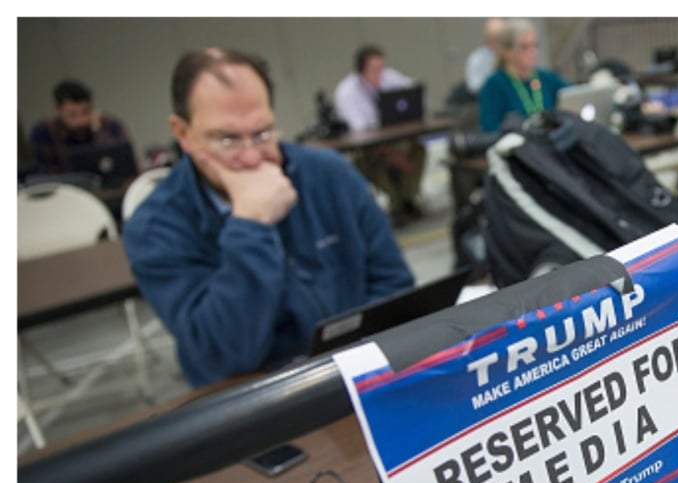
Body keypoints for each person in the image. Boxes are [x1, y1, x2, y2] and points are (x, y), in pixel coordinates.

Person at [122, 48, 415, 387]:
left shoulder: (329, 175)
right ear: (183, 133)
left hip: (359, 375)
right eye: (227, 139)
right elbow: (226, 353)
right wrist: (251, 224)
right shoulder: (155, 228)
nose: (251, 157)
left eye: (262, 133)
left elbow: (395, 286)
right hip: (250, 403)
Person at [333, 44, 428, 223]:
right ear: (361, 70)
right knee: (375, 162)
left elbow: (414, 92)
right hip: (370, 148)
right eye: (374, 69)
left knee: (417, 150)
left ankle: (408, 200)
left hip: (394, 141)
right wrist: (393, 155)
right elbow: (360, 131)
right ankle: (397, 204)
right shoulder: (347, 92)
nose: (380, 74)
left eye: (381, 68)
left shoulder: (389, 78)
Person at [478, 18, 572, 132]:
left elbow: (575, 94)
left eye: (534, 46)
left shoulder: (546, 78)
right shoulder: (494, 85)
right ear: (507, 51)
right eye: (524, 47)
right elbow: (490, 130)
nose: (532, 52)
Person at [29, 79, 133, 175]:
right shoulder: (44, 133)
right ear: (58, 110)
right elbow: (46, 173)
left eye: (86, 112)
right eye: (72, 115)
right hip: (67, 190)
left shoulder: (109, 125)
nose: (81, 121)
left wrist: (98, 132)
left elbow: (123, 164)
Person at [464, 18, 505, 96]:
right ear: (488, 39)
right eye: (495, 38)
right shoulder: (477, 58)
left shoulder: (512, 55)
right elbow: (473, 87)